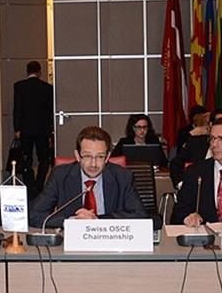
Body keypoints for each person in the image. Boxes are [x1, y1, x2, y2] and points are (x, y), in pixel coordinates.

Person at [29, 126, 147, 228]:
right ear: (77, 156)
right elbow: (34, 215)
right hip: (72, 241)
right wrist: (71, 222)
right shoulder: (60, 176)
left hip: (109, 239)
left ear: (107, 157)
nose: (93, 164)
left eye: (100, 157)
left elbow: (140, 216)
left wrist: (98, 220)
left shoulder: (123, 177)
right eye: (87, 156)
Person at [13, 61, 54, 194]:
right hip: (43, 130)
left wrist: (17, 128)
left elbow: (17, 109)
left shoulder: (19, 86)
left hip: (25, 130)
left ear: (27, 71)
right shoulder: (47, 88)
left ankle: (29, 186)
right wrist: (51, 128)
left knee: (26, 159)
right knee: (44, 159)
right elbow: (50, 111)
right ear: (39, 72)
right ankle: (39, 185)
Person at [169, 109, 222, 188]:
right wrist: (182, 185)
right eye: (219, 122)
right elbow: (175, 164)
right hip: (196, 188)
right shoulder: (195, 143)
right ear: (210, 124)